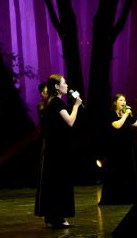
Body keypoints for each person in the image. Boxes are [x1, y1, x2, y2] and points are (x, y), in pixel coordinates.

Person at [34, 74, 82, 229]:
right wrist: (76, 106)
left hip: (53, 149)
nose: (66, 85)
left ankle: (52, 217)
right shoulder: (56, 102)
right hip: (57, 150)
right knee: (59, 182)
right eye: (64, 83)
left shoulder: (51, 102)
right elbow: (70, 121)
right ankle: (59, 217)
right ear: (56, 86)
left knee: (53, 182)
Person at [99, 94, 137, 205]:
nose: (124, 102)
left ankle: (128, 197)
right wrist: (125, 115)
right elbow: (117, 125)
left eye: (124, 100)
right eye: (121, 100)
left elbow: (135, 123)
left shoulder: (126, 114)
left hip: (127, 148)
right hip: (115, 150)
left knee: (129, 173)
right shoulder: (110, 114)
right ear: (115, 102)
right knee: (115, 173)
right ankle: (114, 198)